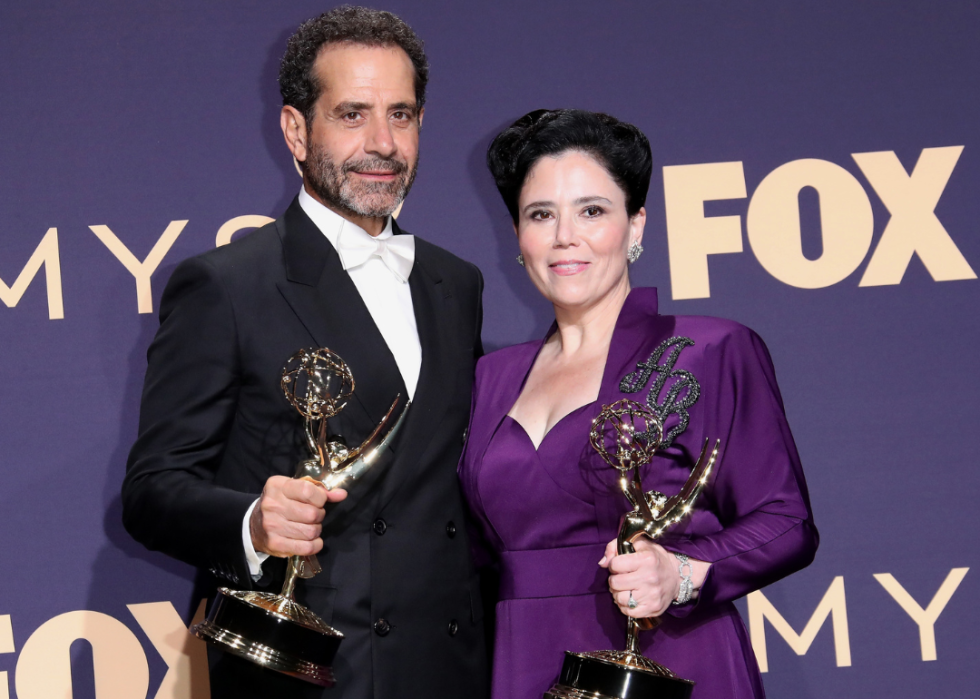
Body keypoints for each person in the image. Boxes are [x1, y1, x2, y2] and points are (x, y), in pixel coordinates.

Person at [123, 7, 488, 699]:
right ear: (296, 130)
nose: (383, 142)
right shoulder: (226, 286)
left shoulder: (455, 282)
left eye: (402, 115)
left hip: (449, 668)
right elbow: (151, 491)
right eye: (352, 114)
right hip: (308, 673)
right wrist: (253, 522)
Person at [458, 109, 818, 699]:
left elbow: (786, 523)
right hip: (523, 659)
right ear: (518, 239)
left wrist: (682, 573)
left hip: (667, 655)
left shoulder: (708, 349)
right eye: (540, 214)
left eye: (592, 211)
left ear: (636, 225)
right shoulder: (489, 377)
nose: (564, 236)